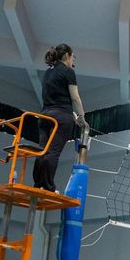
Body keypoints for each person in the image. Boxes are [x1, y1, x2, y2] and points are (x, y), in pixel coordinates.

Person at [32, 43, 87, 193]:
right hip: (60, 118)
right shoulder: (68, 71)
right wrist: (81, 116)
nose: (73, 60)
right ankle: (49, 187)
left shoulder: (48, 72)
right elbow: (75, 97)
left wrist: (71, 113)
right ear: (68, 56)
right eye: (73, 57)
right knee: (53, 152)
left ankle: (38, 184)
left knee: (42, 151)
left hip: (45, 116)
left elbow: (56, 96)